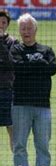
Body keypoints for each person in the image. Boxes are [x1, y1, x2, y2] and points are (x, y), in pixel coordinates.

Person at [10, 13, 56, 166]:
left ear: (35, 29)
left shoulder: (47, 50)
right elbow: (17, 68)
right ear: (19, 31)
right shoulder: (15, 50)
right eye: (23, 28)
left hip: (43, 106)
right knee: (19, 144)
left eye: (29, 28)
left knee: (43, 145)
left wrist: (31, 65)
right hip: (20, 104)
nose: (26, 31)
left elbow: (52, 69)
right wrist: (38, 65)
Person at [0, 9, 17, 155]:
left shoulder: (13, 42)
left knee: (12, 129)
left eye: (3, 22)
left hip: (7, 90)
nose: (0, 25)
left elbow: (10, 63)